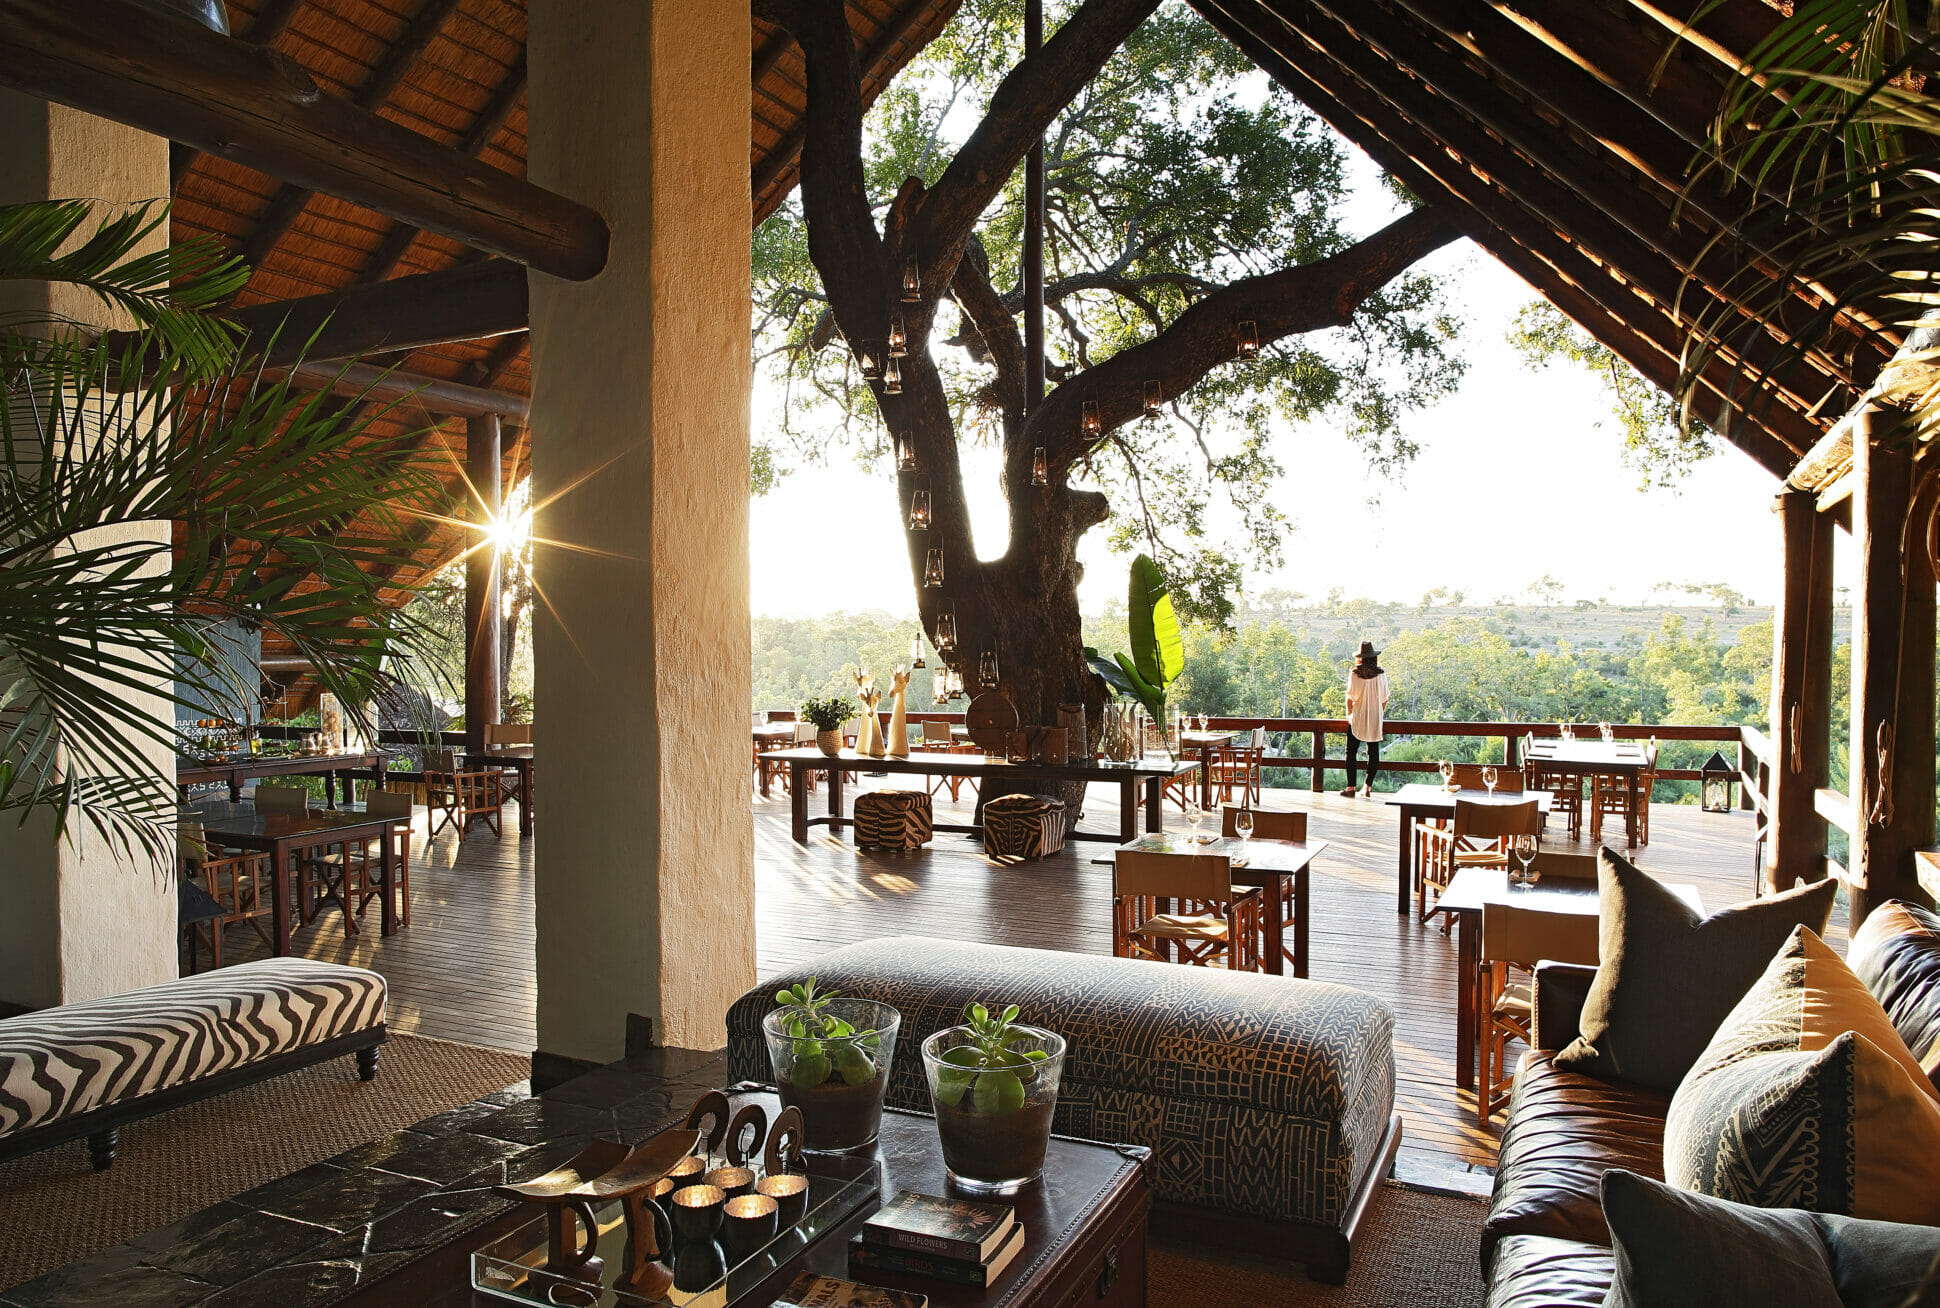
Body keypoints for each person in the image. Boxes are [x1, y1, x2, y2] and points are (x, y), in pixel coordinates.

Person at [1342, 641, 1389, 797]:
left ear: (1360, 658)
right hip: (1375, 716)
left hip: (1358, 716)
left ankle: (1350, 787)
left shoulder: (1355, 673)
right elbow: (1384, 698)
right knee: (1373, 753)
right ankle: (1367, 787)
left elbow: (1351, 696)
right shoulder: (1381, 675)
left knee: (1351, 752)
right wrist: (1378, 713)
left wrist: (1349, 713)